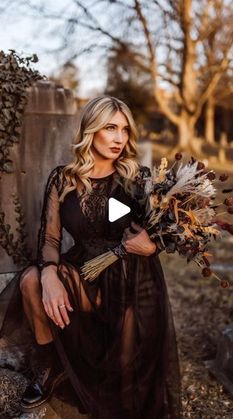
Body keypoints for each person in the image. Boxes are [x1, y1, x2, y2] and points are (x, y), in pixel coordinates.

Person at [0, 95, 182, 418]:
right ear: (91, 129)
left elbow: (159, 233)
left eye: (124, 130)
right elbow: (51, 238)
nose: (119, 138)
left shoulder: (135, 179)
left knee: (122, 385)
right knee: (30, 280)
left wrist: (151, 245)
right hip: (83, 273)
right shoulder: (63, 179)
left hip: (129, 279)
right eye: (110, 128)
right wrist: (49, 274)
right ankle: (47, 368)